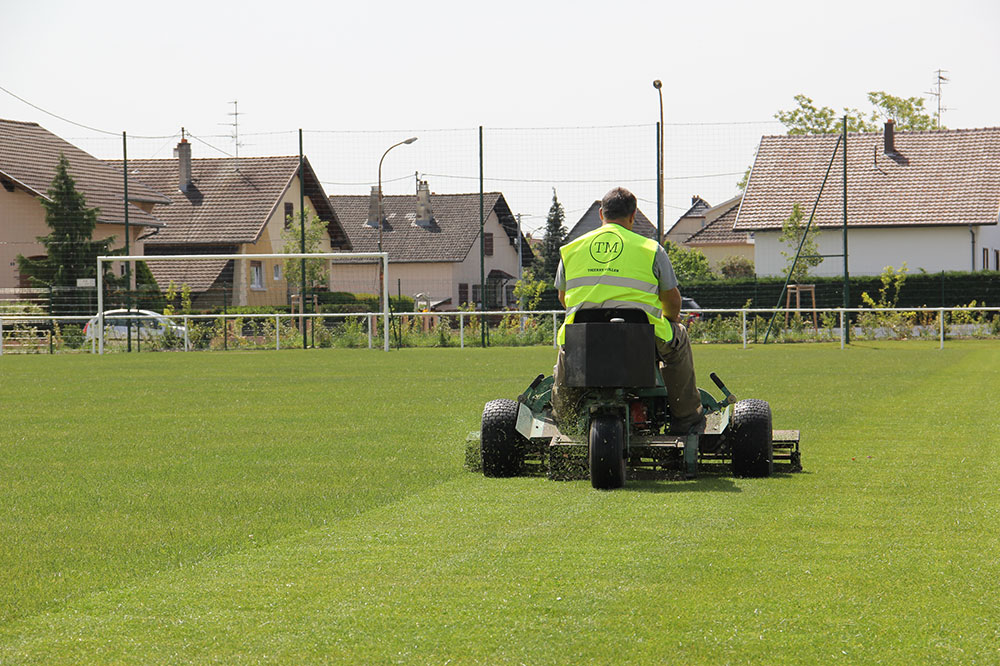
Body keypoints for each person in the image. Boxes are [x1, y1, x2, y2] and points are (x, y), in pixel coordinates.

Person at [552, 186, 704, 434]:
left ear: (601, 214)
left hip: (583, 334)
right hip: (643, 334)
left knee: (567, 346)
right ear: (633, 215)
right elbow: (672, 300)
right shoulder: (651, 249)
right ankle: (686, 418)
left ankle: (564, 417)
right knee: (679, 339)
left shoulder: (571, 249)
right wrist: (670, 320)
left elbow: (564, 298)